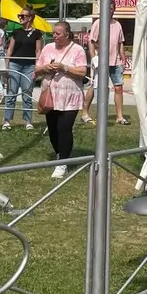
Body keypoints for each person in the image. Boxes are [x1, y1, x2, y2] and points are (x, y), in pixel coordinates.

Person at [35, 21, 88, 179]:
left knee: (64, 128)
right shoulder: (47, 48)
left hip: (70, 95)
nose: (54, 36)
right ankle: (59, 154)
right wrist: (46, 68)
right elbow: (36, 69)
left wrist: (65, 68)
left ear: (67, 34)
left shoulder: (77, 49)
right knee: (53, 128)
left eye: (58, 34)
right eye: (53, 33)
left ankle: (63, 162)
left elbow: (82, 71)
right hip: (51, 95)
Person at [2, 8, 42, 130]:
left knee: (27, 94)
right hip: (15, 64)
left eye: (22, 16)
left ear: (30, 18)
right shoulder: (16, 32)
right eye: (19, 16)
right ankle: (7, 121)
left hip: (29, 66)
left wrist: (37, 67)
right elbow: (10, 49)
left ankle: (28, 121)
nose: (20, 18)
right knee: (11, 93)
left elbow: (38, 51)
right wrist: (6, 66)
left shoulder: (37, 33)